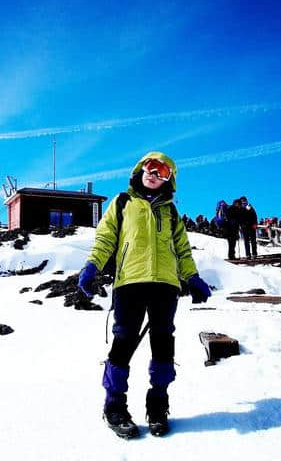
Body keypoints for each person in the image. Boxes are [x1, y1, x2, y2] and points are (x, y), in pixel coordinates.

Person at [77, 152, 212, 439]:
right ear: (140, 170)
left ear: (169, 179)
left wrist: (192, 277)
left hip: (165, 286)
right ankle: (114, 406)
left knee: (163, 344)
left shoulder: (171, 212)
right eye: (151, 168)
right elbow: (106, 238)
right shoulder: (123, 203)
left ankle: (158, 407)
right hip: (130, 282)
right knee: (124, 341)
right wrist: (92, 266)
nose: (154, 174)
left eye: (162, 172)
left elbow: (183, 249)